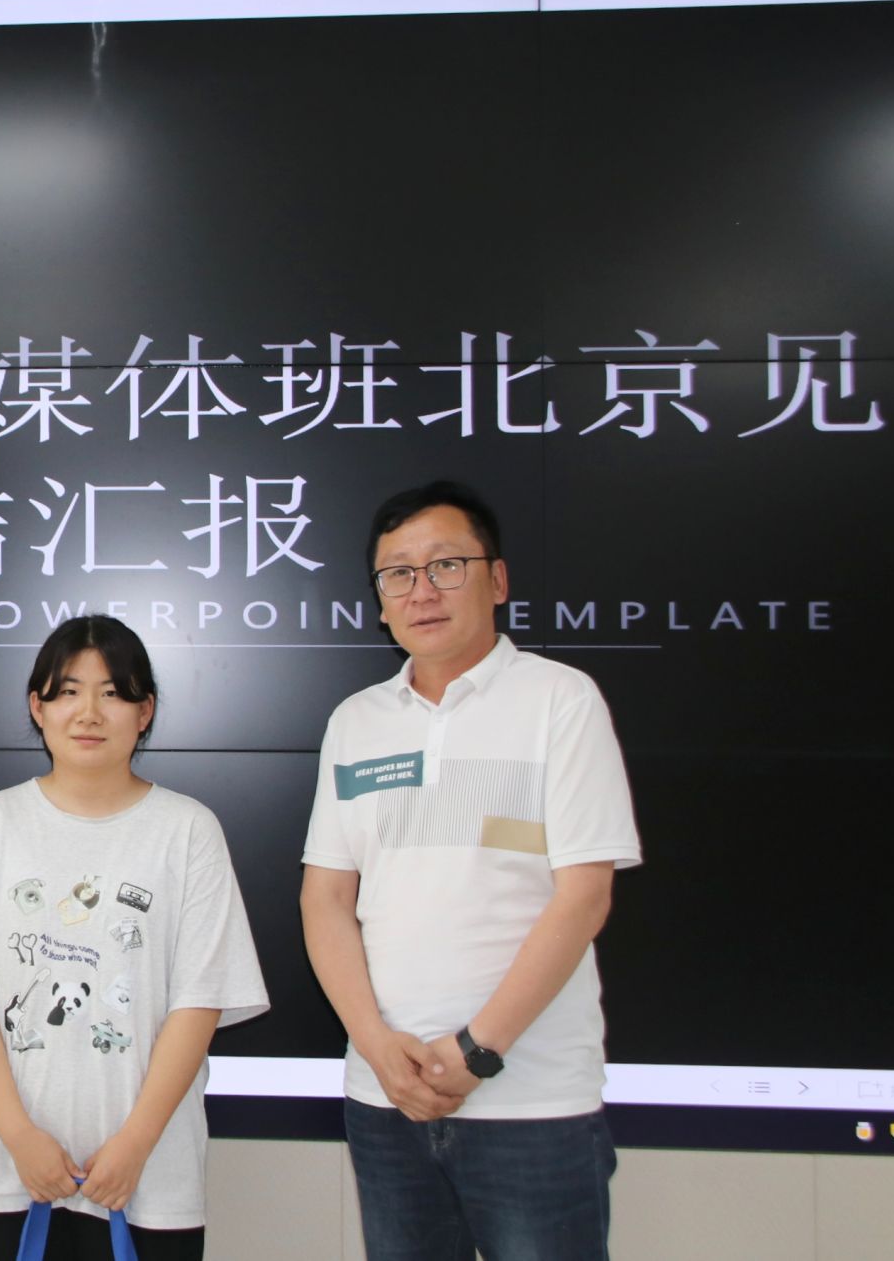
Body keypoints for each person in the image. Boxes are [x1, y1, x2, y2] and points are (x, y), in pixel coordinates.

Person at [300, 480, 643, 1261]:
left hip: (533, 1104)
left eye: (446, 565)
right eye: (399, 574)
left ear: (497, 580)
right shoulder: (356, 722)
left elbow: (584, 897)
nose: (422, 591)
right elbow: (325, 898)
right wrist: (376, 1045)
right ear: (380, 600)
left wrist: (477, 1050)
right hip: (387, 1101)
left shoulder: (561, 701)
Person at [0, 615, 268, 1260]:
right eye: (68, 691)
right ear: (37, 707)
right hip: (3, 1167)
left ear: (145, 711)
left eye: (114, 693)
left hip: (146, 1171)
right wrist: (19, 1136)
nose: (89, 712)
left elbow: (199, 999)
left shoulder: (188, 831)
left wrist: (134, 1144)